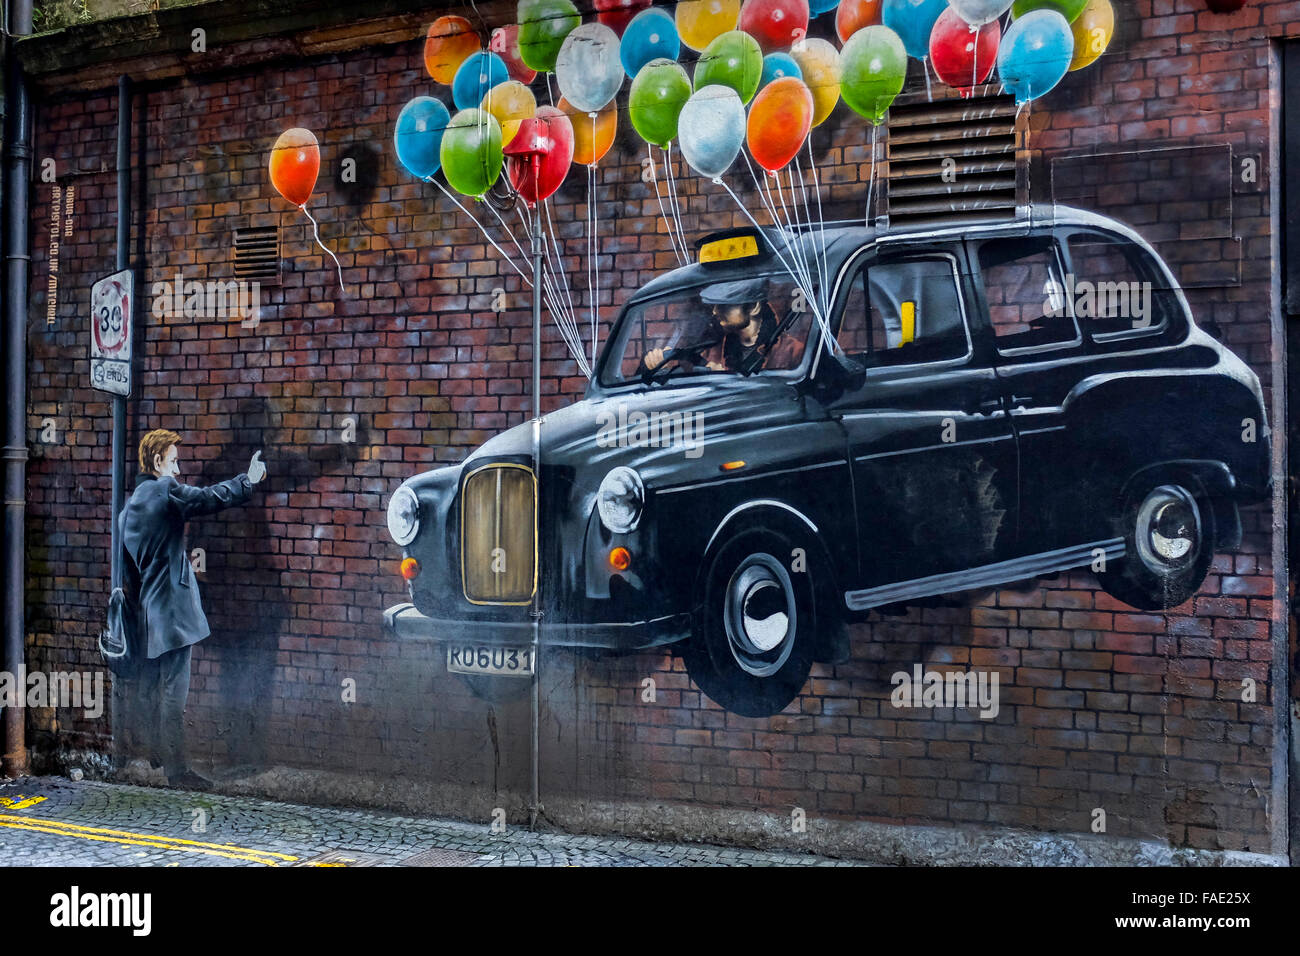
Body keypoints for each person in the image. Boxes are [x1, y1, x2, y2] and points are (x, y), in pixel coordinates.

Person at [113, 429, 266, 790]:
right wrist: (249, 480)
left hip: (149, 615)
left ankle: (155, 753)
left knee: (153, 688)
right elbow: (208, 498)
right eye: (174, 461)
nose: (179, 470)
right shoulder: (165, 491)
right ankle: (177, 770)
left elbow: (127, 575)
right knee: (173, 695)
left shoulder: (128, 510)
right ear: (157, 463)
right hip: (174, 613)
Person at [641, 278, 805, 376]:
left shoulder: (793, 352)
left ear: (754, 307)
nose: (715, 311)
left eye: (725, 306)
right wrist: (662, 366)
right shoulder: (711, 352)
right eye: (715, 305)